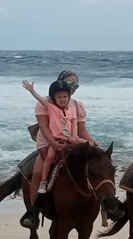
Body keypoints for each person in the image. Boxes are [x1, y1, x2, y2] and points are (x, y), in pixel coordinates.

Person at [20, 79, 89, 227]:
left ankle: (107, 203)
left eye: (75, 85)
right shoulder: (48, 105)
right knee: (38, 170)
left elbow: (79, 130)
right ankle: (33, 211)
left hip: (70, 141)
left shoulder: (76, 106)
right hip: (49, 142)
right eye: (69, 84)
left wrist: (89, 141)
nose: (72, 88)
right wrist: (53, 143)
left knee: (96, 160)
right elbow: (44, 127)